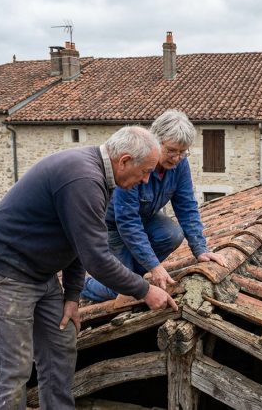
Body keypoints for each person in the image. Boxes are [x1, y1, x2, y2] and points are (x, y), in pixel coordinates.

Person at [0, 126, 178, 409]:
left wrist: (71, 296)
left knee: (60, 347)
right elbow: (97, 258)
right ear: (125, 160)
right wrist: (145, 290)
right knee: (10, 370)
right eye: (144, 171)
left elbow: (80, 242)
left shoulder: (102, 179)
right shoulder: (83, 179)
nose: (145, 180)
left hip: (40, 272)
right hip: (5, 270)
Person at [82, 109, 226, 302]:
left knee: (172, 234)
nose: (176, 158)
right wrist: (155, 267)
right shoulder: (137, 160)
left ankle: (131, 275)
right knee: (118, 290)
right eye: (171, 150)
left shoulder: (179, 165)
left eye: (182, 152)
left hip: (146, 219)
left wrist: (201, 250)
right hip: (113, 226)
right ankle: (82, 288)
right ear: (156, 142)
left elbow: (187, 206)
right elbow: (127, 221)